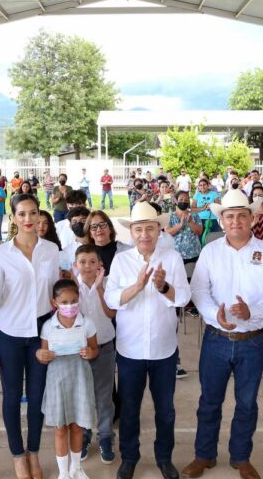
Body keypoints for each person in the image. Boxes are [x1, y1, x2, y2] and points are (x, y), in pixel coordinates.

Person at [182, 189, 263, 479]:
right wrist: (211, 311)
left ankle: (241, 457)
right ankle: (204, 455)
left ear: (252, 218)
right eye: (230, 216)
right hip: (216, 339)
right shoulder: (211, 251)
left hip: (252, 343)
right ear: (222, 220)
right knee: (209, 401)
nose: (236, 221)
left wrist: (251, 311)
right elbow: (199, 289)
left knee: (247, 403)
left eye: (242, 215)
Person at [104, 202, 190, 479]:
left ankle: (164, 458)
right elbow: (110, 299)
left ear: (159, 230)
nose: (144, 234)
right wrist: (138, 287)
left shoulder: (172, 258)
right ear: (131, 232)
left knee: (165, 410)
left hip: (164, 350)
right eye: (138, 229)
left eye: (149, 229)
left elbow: (184, 298)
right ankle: (129, 457)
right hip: (130, 349)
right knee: (129, 409)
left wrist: (163, 286)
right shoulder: (121, 260)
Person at [0, 194, 60, 479]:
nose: (28, 219)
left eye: (33, 213)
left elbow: (55, 293)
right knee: (12, 396)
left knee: (38, 396)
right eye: (22, 214)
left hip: (41, 331)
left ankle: (33, 453)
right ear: (13, 218)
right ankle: (18, 456)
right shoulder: (2, 253)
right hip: (9, 333)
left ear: (40, 215)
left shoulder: (51, 250)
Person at [37, 279, 99, 479]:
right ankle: (63, 472)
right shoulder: (48, 326)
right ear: (54, 302)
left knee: (78, 426)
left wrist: (90, 353)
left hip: (80, 379)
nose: (69, 306)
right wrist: (41, 355)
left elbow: (95, 349)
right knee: (60, 428)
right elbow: (44, 354)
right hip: (57, 382)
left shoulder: (86, 323)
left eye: (73, 301)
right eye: (64, 302)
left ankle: (77, 468)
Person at [73, 246, 117, 464]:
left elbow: (111, 313)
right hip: (80, 350)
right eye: (82, 262)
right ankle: (84, 434)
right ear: (75, 265)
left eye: (92, 262)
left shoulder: (108, 284)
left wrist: (99, 289)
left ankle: (106, 436)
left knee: (104, 396)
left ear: (100, 265)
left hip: (105, 346)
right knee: (82, 395)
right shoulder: (71, 288)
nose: (88, 266)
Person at [84, 210, 131, 276]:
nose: (99, 229)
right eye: (94, 227)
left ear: (110, 229)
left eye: (102, 225)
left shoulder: (127, 250)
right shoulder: (85, 256)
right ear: (90, 234)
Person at [166, 191, 203, 265]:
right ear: (176, 201)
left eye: (186, 200)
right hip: (176, 255)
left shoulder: (194, 215)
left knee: (194, 275)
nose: (184, 202)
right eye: (181, 199)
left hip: (194, 252)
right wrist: (180, 225)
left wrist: (190, 222)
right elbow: (168, 233)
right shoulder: (170, 216)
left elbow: (199, 232)